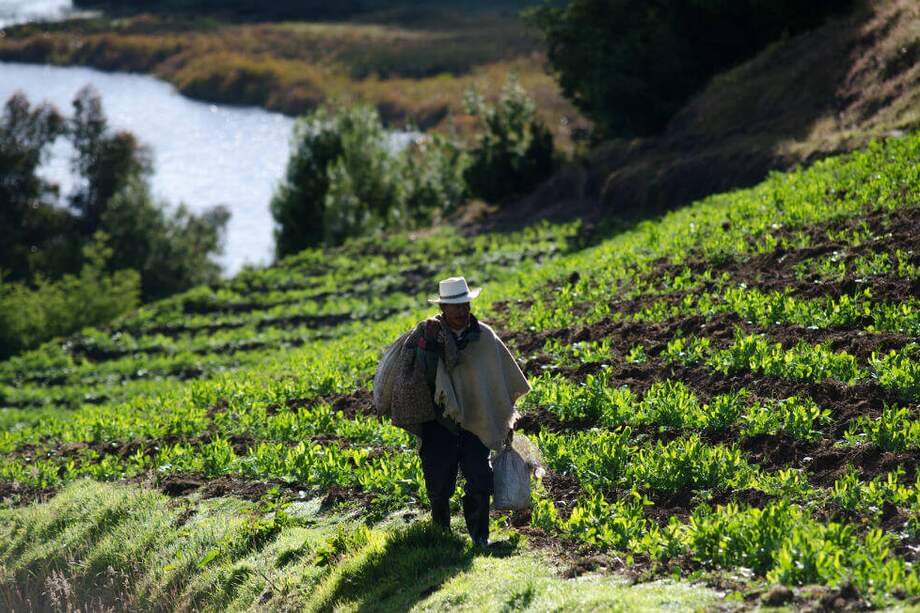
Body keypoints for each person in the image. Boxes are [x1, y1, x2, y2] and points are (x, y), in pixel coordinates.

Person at [412, 276, 531, 547]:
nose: (461, 310)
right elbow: (420, 378)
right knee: (439, 484)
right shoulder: (427, 336)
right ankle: (441, 535)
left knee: (479, 478)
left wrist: (504, 417)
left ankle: (480, 538)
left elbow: (500, 380)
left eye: (464, 304)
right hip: (438, 423)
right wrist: (429, 350)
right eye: (454, 306)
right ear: (443, 307)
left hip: (476, 423)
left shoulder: (485, 337)